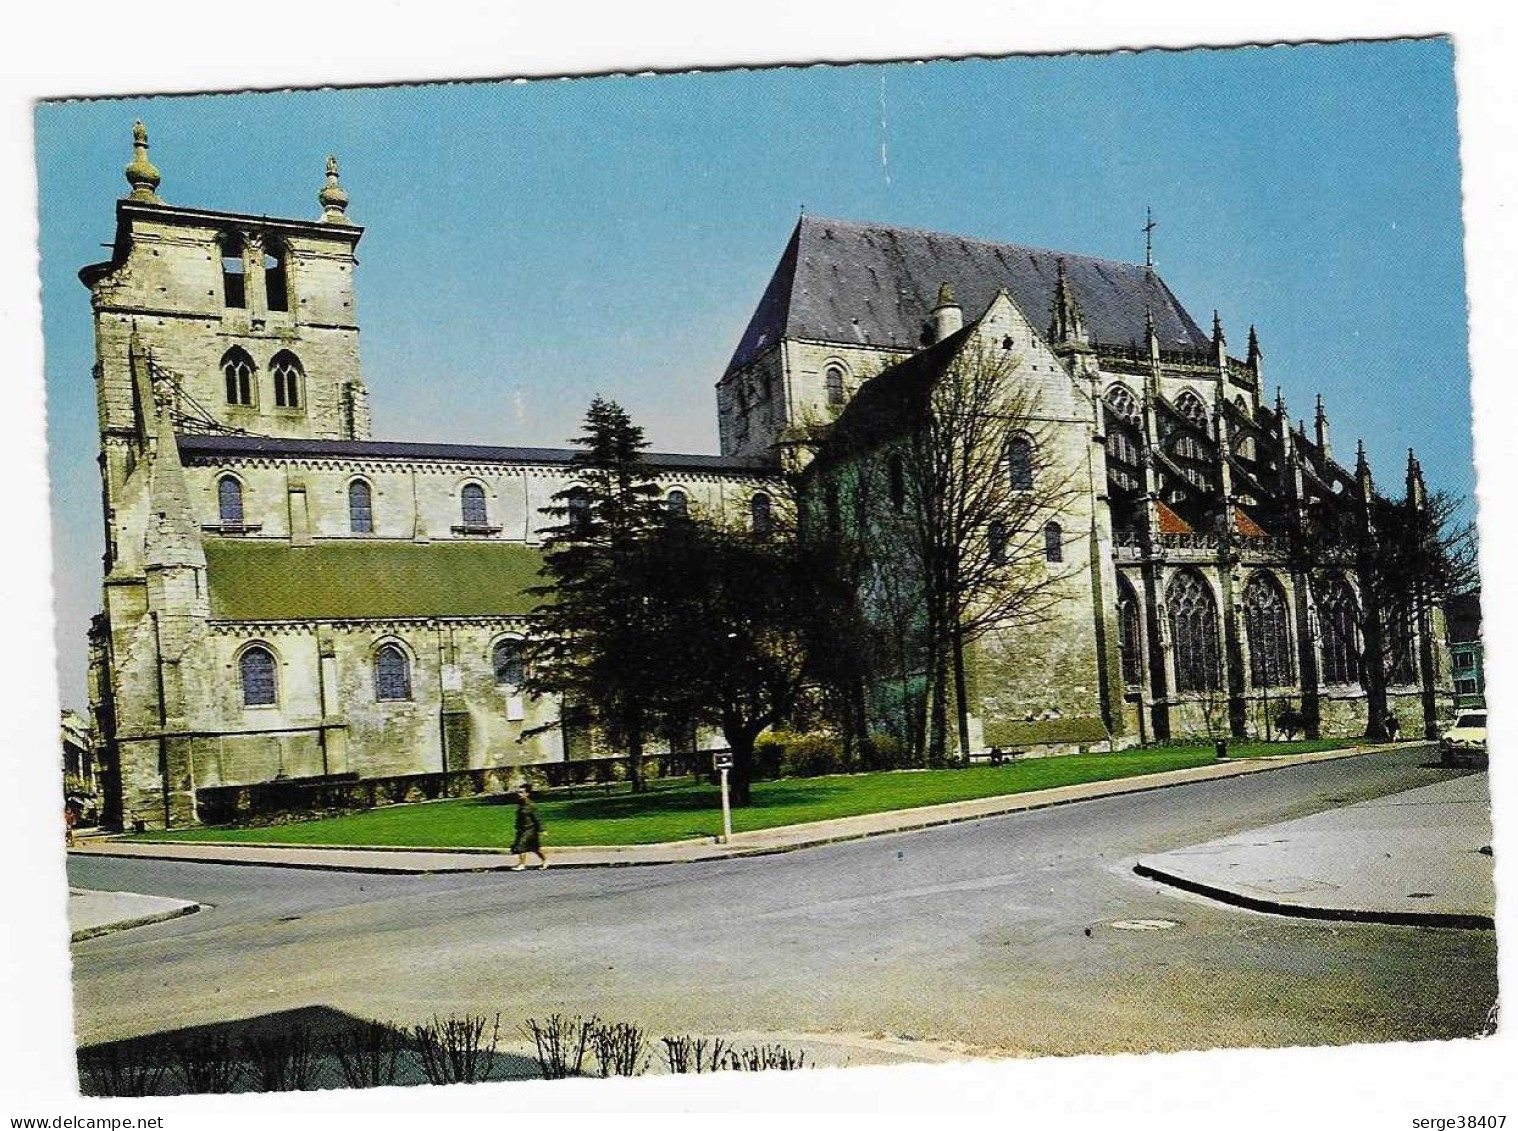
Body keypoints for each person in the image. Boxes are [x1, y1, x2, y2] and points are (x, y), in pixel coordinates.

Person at [511, 783, 547, 871]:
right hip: (522, 829)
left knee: (521, 845)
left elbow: (537, 818)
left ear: (527, 794)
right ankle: (545, 860)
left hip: (530, 829)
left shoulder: (530, 805)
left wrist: (542, 830)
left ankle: (522, 864)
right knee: (535, 848)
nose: (518, 794)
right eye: (518, 792)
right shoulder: (520, 804)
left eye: (521, 792)